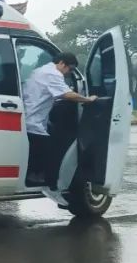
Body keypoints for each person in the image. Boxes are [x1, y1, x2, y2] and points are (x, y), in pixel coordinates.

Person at [23, 52, 96, 203]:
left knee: (44, 149)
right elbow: (67, 95)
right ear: (62, 63)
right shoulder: (53, 74)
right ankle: (51, 186)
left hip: (30, 119)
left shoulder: (39, 71)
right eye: (69, 69)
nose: (68, 73)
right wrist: (87, 99)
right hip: (34, 123)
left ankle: (38, 177)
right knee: (54, 154)